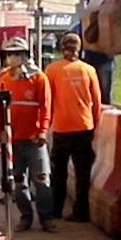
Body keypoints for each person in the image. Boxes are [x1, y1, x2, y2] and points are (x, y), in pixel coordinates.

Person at [0, 36, 55, 233]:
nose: (12, 58)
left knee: (42, 180)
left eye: (17, 54)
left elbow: (46, 107)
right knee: (18, 182)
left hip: (34, 140)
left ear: (25, 55)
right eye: (9, 54)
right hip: (12, 140)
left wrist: (43, 130)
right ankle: (25, 217)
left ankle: (46, 218)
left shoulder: (39, 78)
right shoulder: (3, 77)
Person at [43, 31, 101, 223]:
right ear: (79, 48)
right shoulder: (89, 70)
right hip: (84, 127)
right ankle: (80, 212)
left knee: (58, 172)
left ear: (61, 49)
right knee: (82, 173)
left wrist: (47, 124)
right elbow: (97, 102)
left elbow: (47, 100)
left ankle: (55, 210)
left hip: (61, 128)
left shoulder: (51, 70)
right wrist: (94, 125)